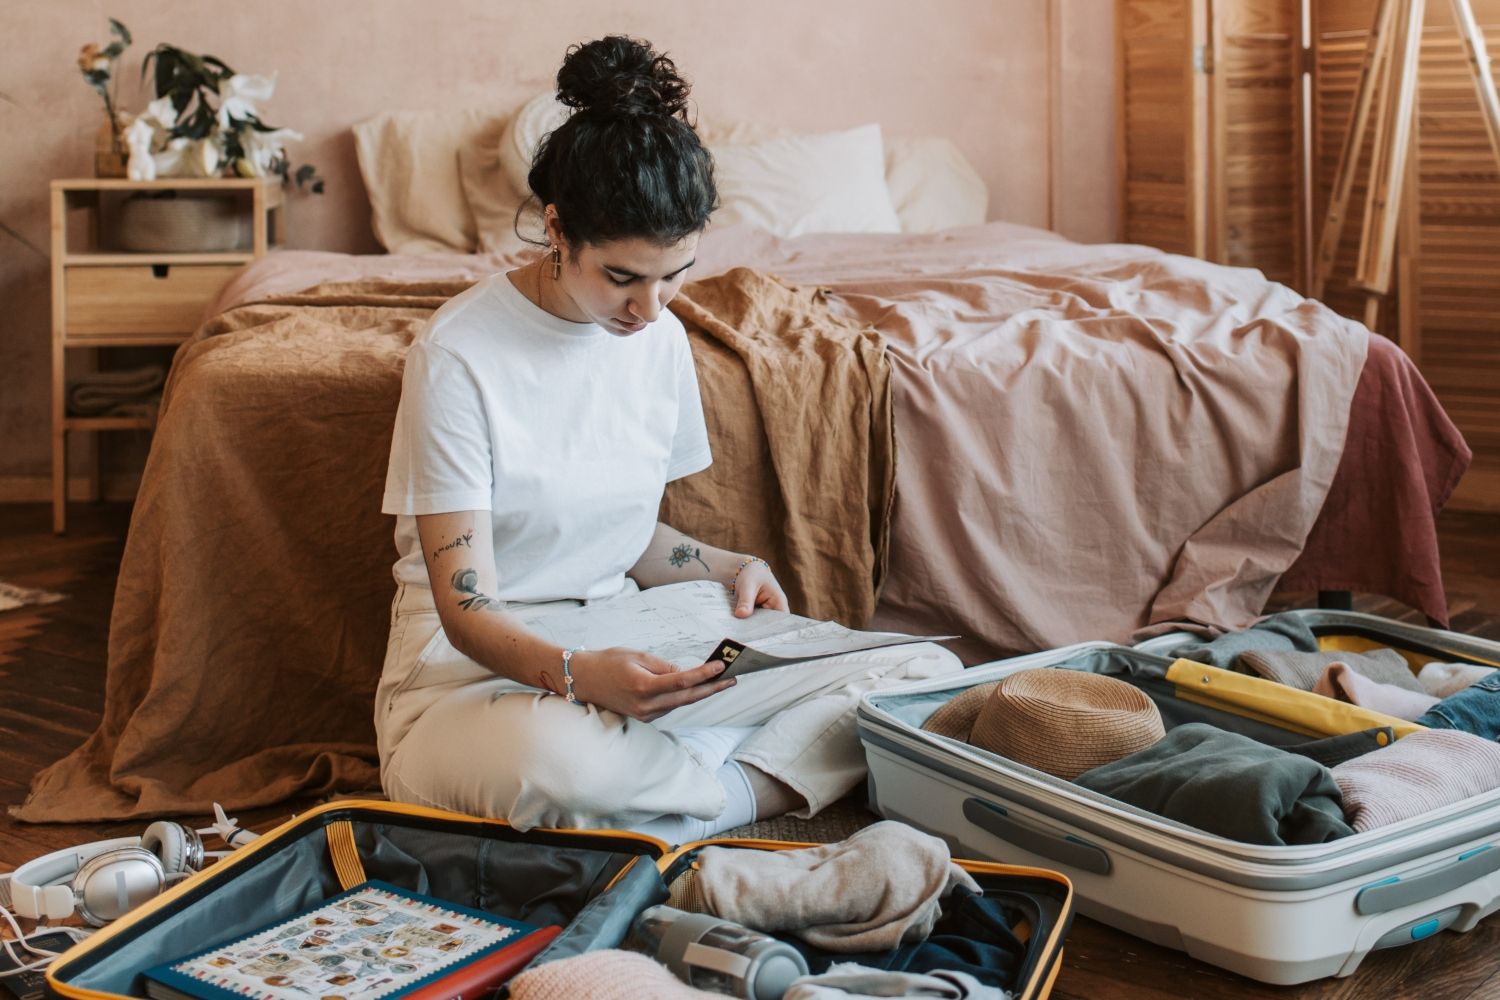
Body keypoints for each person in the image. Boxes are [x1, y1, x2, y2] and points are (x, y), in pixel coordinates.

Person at [375, 35, 960, 840]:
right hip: (471, 680)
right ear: (556, 228)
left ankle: (667, 798)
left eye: (674, 274)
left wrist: (730, 565)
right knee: (564, 767)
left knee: (926, 676)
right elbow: (464, 606)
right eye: (621, 276)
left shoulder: (659, 339)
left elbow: (618, 534)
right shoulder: (458, 355)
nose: (649, 309)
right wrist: (580, 679)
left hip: (627, 649)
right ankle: (741, 785)